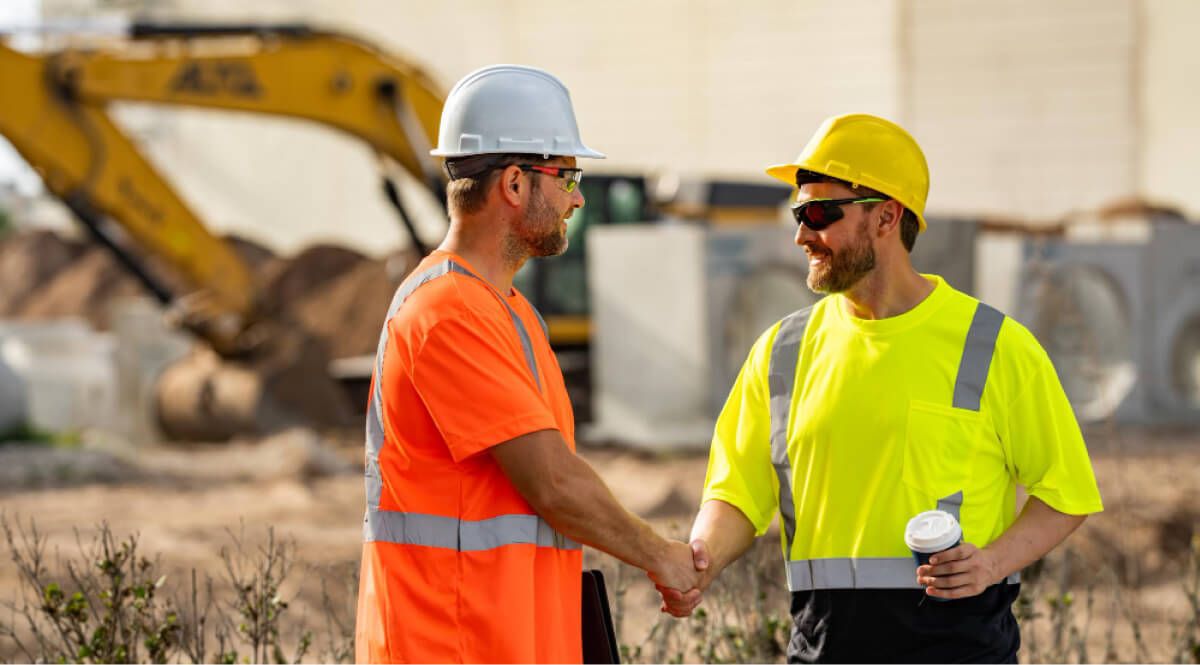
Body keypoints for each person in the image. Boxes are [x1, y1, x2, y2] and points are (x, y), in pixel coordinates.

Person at [658, 113, 1103, 663]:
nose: (801, 234)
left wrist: (991, 562)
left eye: (818, 213)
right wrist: (698, 562)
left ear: (886, 216)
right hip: (822, 648)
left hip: (958, 651)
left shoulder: (994, 347)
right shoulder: (783, 351)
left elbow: (1067, 494)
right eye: (797, 215)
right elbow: (737, 494)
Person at [355, 64, 700, 663]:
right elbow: (554, 483)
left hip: (503, 640)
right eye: (566, 175)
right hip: (452, 644)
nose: (577, 196)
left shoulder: (507, 311)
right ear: (514, 183)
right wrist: (659, 554)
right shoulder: (447, 311)